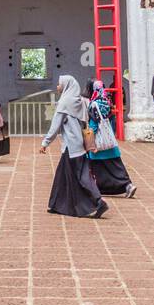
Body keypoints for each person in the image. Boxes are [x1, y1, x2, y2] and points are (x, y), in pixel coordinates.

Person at [39, 75, 107, 218]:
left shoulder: (64, 103)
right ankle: (56, 204)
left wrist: (45, 142)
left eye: (59, 84)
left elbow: (55, 125)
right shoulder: (79, 101)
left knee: (82, 176)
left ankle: (98, 201)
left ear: (66, 86)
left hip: (71, 146)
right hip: (78, 143)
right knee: (62, 176)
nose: (57, 87)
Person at [86, 80, 136, 198]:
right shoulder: (106, 102)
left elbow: (93, 126)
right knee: (117, 167)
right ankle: (127, 185)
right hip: (109, 140)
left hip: (99, 143)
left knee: (97, 169)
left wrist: (89, 143)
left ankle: (96, 189)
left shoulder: (94, 104)